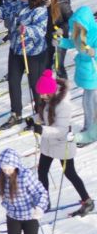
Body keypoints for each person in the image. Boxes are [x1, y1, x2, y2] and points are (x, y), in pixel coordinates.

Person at [26, 71, 93, 216]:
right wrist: (33, 120)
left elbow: (61, 130)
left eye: (44, 94)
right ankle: (44, 201)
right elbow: (43, 116)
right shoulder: (47, 101)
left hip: (63, 143)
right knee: (42, 171)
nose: (41, 97)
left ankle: (87, 200)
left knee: (70, 173)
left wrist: (41, 129)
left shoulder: (64, 105)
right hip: (48, 142)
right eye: (41, 94)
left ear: (50, 91)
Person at [0, 0, 48, 130]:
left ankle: (41, 113)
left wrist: (26, 30)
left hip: (33, 53)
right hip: (16, 49)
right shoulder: (17, 3)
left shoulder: (40, 9)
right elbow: (5, 9)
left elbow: (41, 31)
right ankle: (16, 113)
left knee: (35, 85)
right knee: (13, 81)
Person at [59, 6, 97, 139]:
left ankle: (90, 130)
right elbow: (72, 43)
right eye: (75, 23)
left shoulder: (95, 32)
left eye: (79, 23)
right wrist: (60, 42)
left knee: (88, 101)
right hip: (84, 70)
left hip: (93, 71)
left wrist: (94, 52)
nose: (77, 26)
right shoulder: (78, 32)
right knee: (91, 100)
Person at [41, 0, 71, 79]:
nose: (45, 1)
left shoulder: (62, 3)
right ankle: (47, 85)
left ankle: (63, 84)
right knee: (46, 62)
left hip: (60, 36)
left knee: (59, 64)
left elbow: (71, 20)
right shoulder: (42, 1)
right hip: (48, 34)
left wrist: (62, 29)